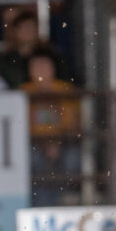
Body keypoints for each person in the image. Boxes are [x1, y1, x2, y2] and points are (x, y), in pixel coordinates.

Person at [22, 51, 81, 206]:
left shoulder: (64, 89)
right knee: (33, 158)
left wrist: (57, 142)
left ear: (53, 69)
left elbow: (72, 124)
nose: (41, 71)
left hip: (63, 142)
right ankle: (40, 204)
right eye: (37, 67)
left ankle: (66, 200)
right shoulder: (23, 92)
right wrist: (45, 143)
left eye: (45, 66)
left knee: (72, 158)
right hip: (34, 143)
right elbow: (23, 126)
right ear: (30, 71)